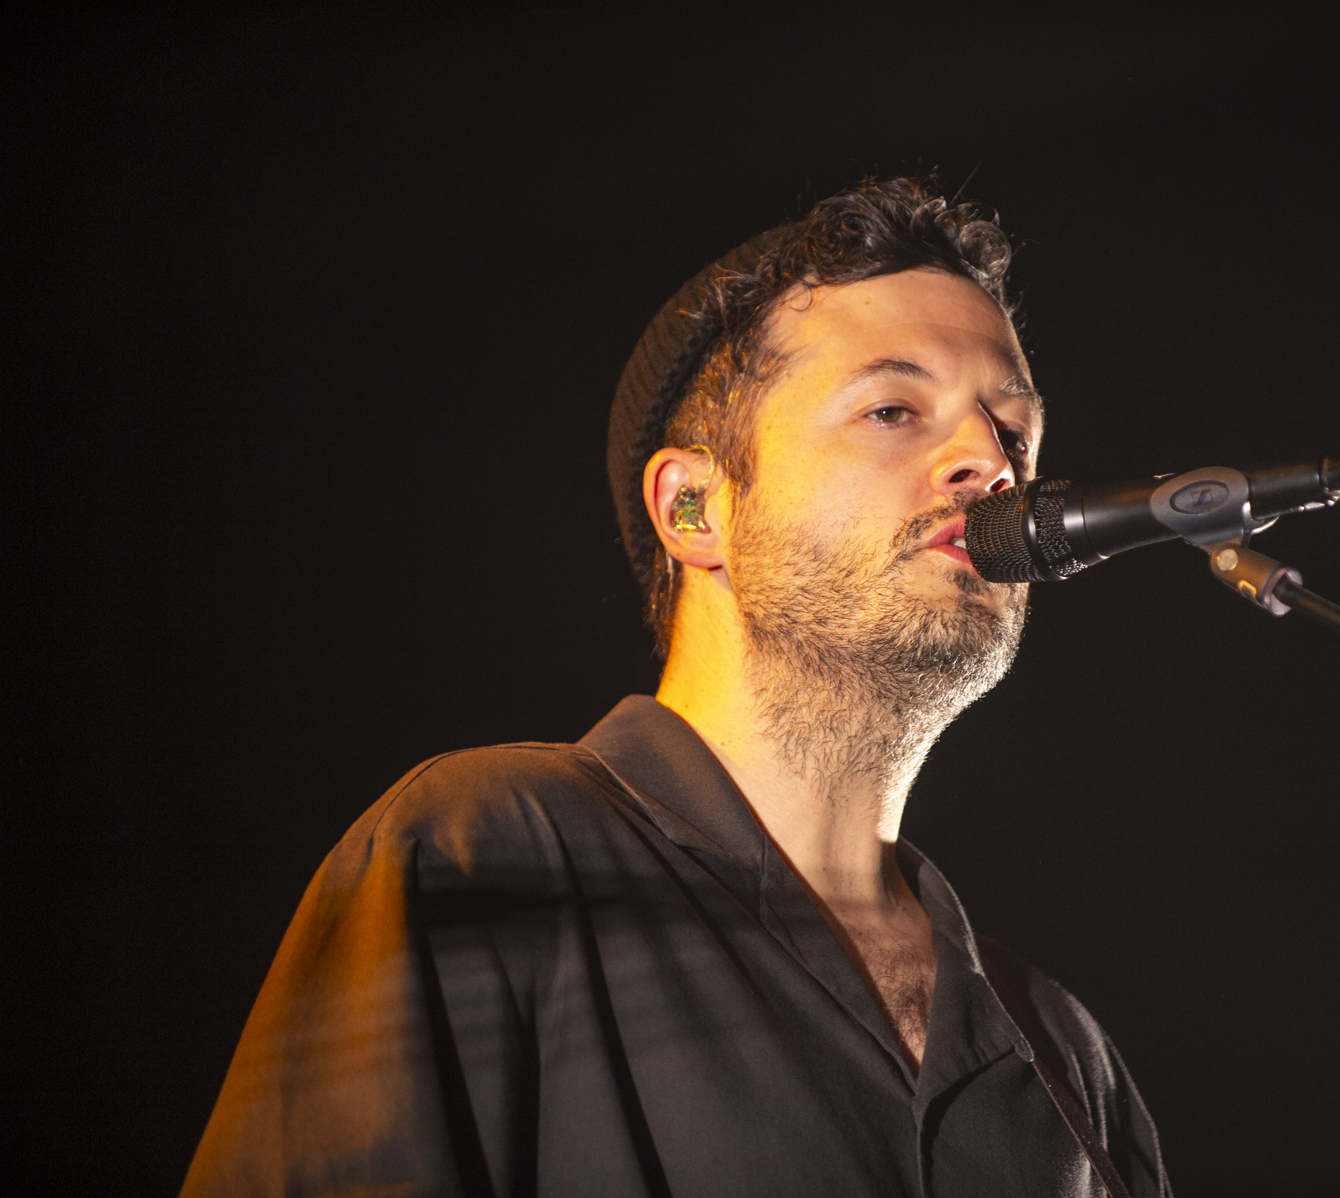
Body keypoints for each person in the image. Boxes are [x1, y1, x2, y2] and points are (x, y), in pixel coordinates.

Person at [181, 178, 1169, 1197]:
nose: (989, 464)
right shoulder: (485, 851)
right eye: (892, 410)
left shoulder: (1065, 1053)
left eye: (1015, 433)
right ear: (694, 507)